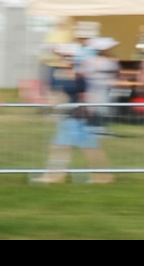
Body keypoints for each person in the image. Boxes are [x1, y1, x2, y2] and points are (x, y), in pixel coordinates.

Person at [39, 43, 111, 183]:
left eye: (67, 58)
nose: (64, 60)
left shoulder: (79, 77)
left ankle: (54, 176)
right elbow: (54, 92)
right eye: (63, 58)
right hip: (67, 116)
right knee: (87, 147)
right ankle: (103, 176)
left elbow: (81, 96)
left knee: (64, 147)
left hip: (75, 117)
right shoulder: (59, 74)